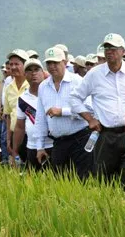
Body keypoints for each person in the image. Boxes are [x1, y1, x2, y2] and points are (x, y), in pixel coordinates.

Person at [69, 33, 125, 184]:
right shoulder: (95, 74)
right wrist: (90, 119)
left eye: (113, 48)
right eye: (106, 47)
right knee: (103, 179)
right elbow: (74, 97)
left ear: (123, 51)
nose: (109, 51)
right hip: (105, 135)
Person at [34, 47, 92, 180]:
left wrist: (63, 112)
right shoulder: (43, 86)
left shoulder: (77, 81)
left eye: (56, 62)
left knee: (83, 180)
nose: (52, 66)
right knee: (60, 181)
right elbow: (41, 118)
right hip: (59, 143)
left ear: (64, 62)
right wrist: (40, 147)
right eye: (49, 63)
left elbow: (89, 109)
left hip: (80, 139)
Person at [12, 58, 51, 171]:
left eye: (36, 69)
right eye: (29, 70)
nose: (33, 73)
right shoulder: (23, 99)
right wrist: (15, 151)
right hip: (32, 146)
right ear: (25, 75)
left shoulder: (52, 92)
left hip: (52, 145)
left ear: (43, 73)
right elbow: (19, 127)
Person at [3, 49, 29, 163]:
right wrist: (9, 139)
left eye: (17, 64)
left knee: (31, 169)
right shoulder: (9, 88)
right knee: (16, 167)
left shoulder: (34, 86)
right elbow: (8, 115)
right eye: (11, 64)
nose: (13, 67)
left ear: (25, 66)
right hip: (15, 135)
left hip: (30, 135)